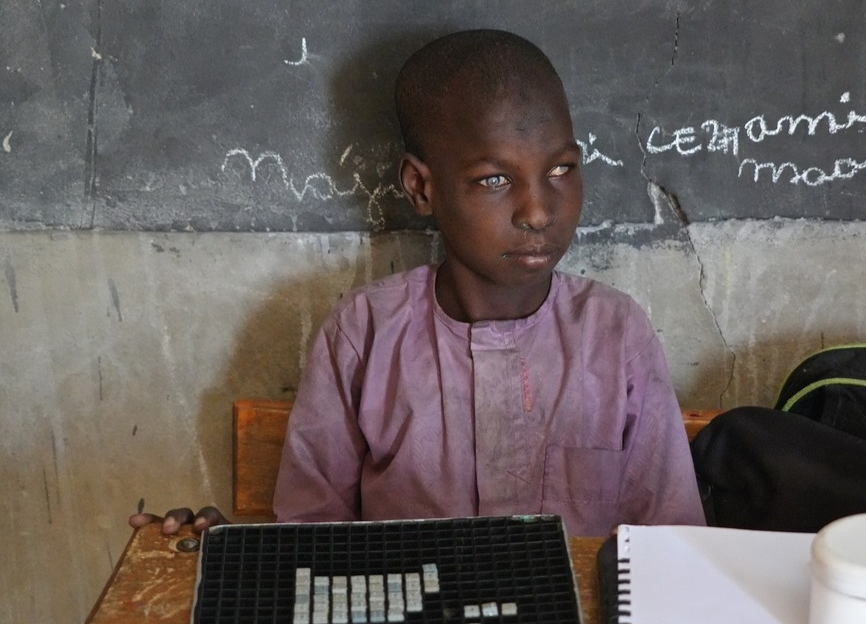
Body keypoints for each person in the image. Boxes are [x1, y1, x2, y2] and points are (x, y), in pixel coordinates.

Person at [130, 29, 705, 537]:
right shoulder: (364, 334)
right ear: (422, 188)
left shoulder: (615, 334)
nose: (538, 211)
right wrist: (234, 552)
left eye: (560, 170)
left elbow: (671, 543)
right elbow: (311, 543)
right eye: (496, 179)